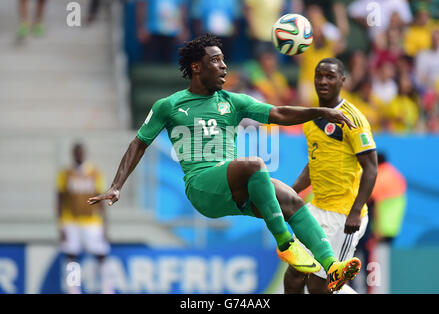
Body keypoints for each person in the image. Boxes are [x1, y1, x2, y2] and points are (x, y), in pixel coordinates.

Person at [87, 34, 361, 293]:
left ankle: (331, 266)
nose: (223, 65)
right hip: (202, 187)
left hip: (234, 188)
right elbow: (139, 142)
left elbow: (278, 112)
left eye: (223, 60)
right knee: (253, 164)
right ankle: (286, 243)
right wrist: (116, 185)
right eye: (215, 60)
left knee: (291, 200)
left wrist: (320, 111)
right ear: (196, 67)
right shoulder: (168, 106)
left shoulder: (233, 101)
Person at [283, 58, 378, 294]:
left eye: (330, 76)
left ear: (342, 81)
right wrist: (292, 190)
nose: (323, 81)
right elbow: (316, 161)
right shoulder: (310, 117)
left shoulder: (352, 119)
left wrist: (356, 210)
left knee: (320, 287)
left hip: (343, 216)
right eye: (319, 75)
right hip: (316, 208)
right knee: (294, 272)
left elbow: (371, 167)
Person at [57, 143, 112, 294]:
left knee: (101, 254)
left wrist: (105, 225)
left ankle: (107, 288)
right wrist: (61, 224)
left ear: (85, 154)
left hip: (92, 221)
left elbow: (102, 200)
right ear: (72, 154)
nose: (79, 155)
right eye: (76, 152)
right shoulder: (65, 174)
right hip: (71, 221)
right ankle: (73, 289)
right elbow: (60, 200)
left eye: (81, 152)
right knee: (72, 256)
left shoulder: (95, 173)